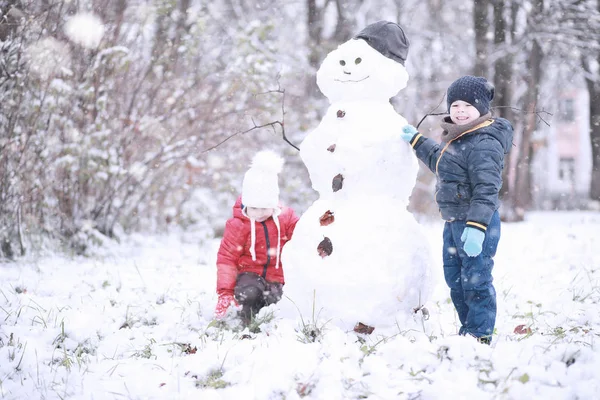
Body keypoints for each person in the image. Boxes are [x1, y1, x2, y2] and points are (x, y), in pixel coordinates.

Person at [400, 76, 514, 344]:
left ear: (482, 109)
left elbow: (487, 189)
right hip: (453, 221)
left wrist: (477, 228)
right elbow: (440, 161)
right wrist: (417, 140)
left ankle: (480, 333)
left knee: (476, 281)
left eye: (467, 105)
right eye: (455, 105)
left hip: (477, 223)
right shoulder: (459, 138)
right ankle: (468, 330)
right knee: (456, 280)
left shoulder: (484, 142)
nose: (460, 110)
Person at [214, 150, 299, 325]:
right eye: (253, 208)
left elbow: (303, 236)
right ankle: (246, 318)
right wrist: (225, 292)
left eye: (264, 208)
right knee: (250, 294)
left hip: (278, 277)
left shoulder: (286, 218)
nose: (258, 214)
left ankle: (271, 317)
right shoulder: (238, 225)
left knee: (278, 300)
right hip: (250, 276)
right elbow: (226, 259)